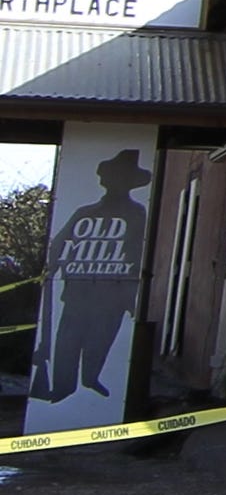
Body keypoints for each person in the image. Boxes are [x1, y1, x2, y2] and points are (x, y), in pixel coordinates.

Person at [31, 149, 151, 405]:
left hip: (114, 294)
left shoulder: (137, 213)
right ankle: (63, 386)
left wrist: (131, 294)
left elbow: (136, 251)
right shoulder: (85, 212)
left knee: (101, 339)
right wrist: (53, 266)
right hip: (78, 291)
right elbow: (59, 243)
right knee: (68, 342)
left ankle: (91, 378)